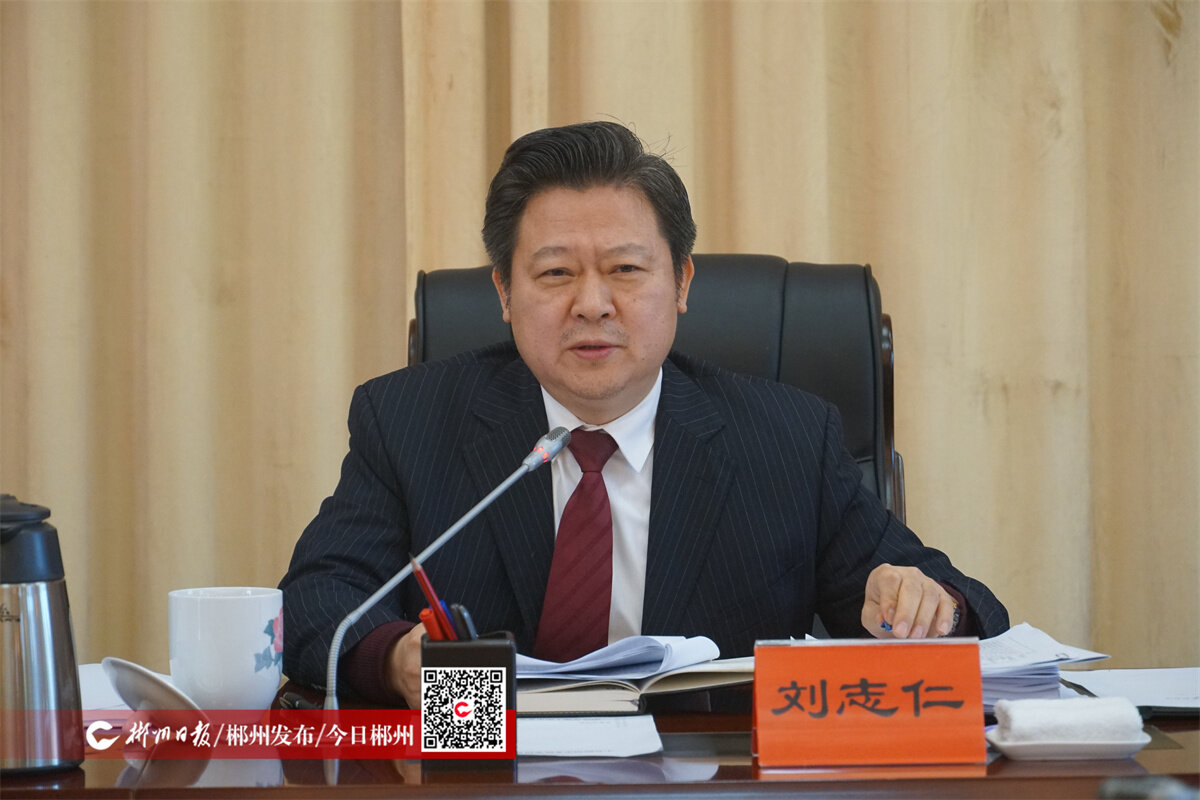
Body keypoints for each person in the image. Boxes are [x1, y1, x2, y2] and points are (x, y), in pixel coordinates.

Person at [279, 121, 1008, 708]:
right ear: (503, 292)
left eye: (625, 270)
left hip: (708, 777)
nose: (592, 304)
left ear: (681, 282)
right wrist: (396, 661)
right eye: (555, 273)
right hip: (478, 764)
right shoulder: (408, 420)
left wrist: (927, 606)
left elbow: (962, 607)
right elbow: (315, 601)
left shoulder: (786, 438)